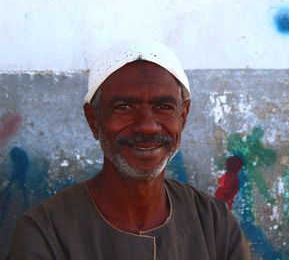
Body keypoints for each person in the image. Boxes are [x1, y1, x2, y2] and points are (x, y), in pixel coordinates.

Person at [8, 39, 251, 259]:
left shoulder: (215, 224)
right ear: (94, 120)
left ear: (183, 116)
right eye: (124, 107)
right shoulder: (46, 231)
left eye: (163, 106)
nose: (147, 126)